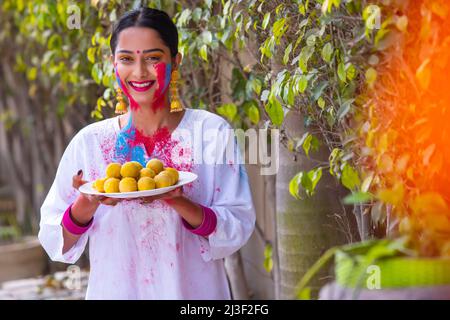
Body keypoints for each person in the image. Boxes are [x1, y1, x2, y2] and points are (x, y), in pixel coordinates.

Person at [38, 7, 255, 299]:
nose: (139, 72)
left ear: (175, 61)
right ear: (113, 64)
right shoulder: (90, 143)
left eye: (153, 58)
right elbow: (55, 242)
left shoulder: (211, 134)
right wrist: (85, 204)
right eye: (127, 59)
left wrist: (179, 201)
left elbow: (237, 226)